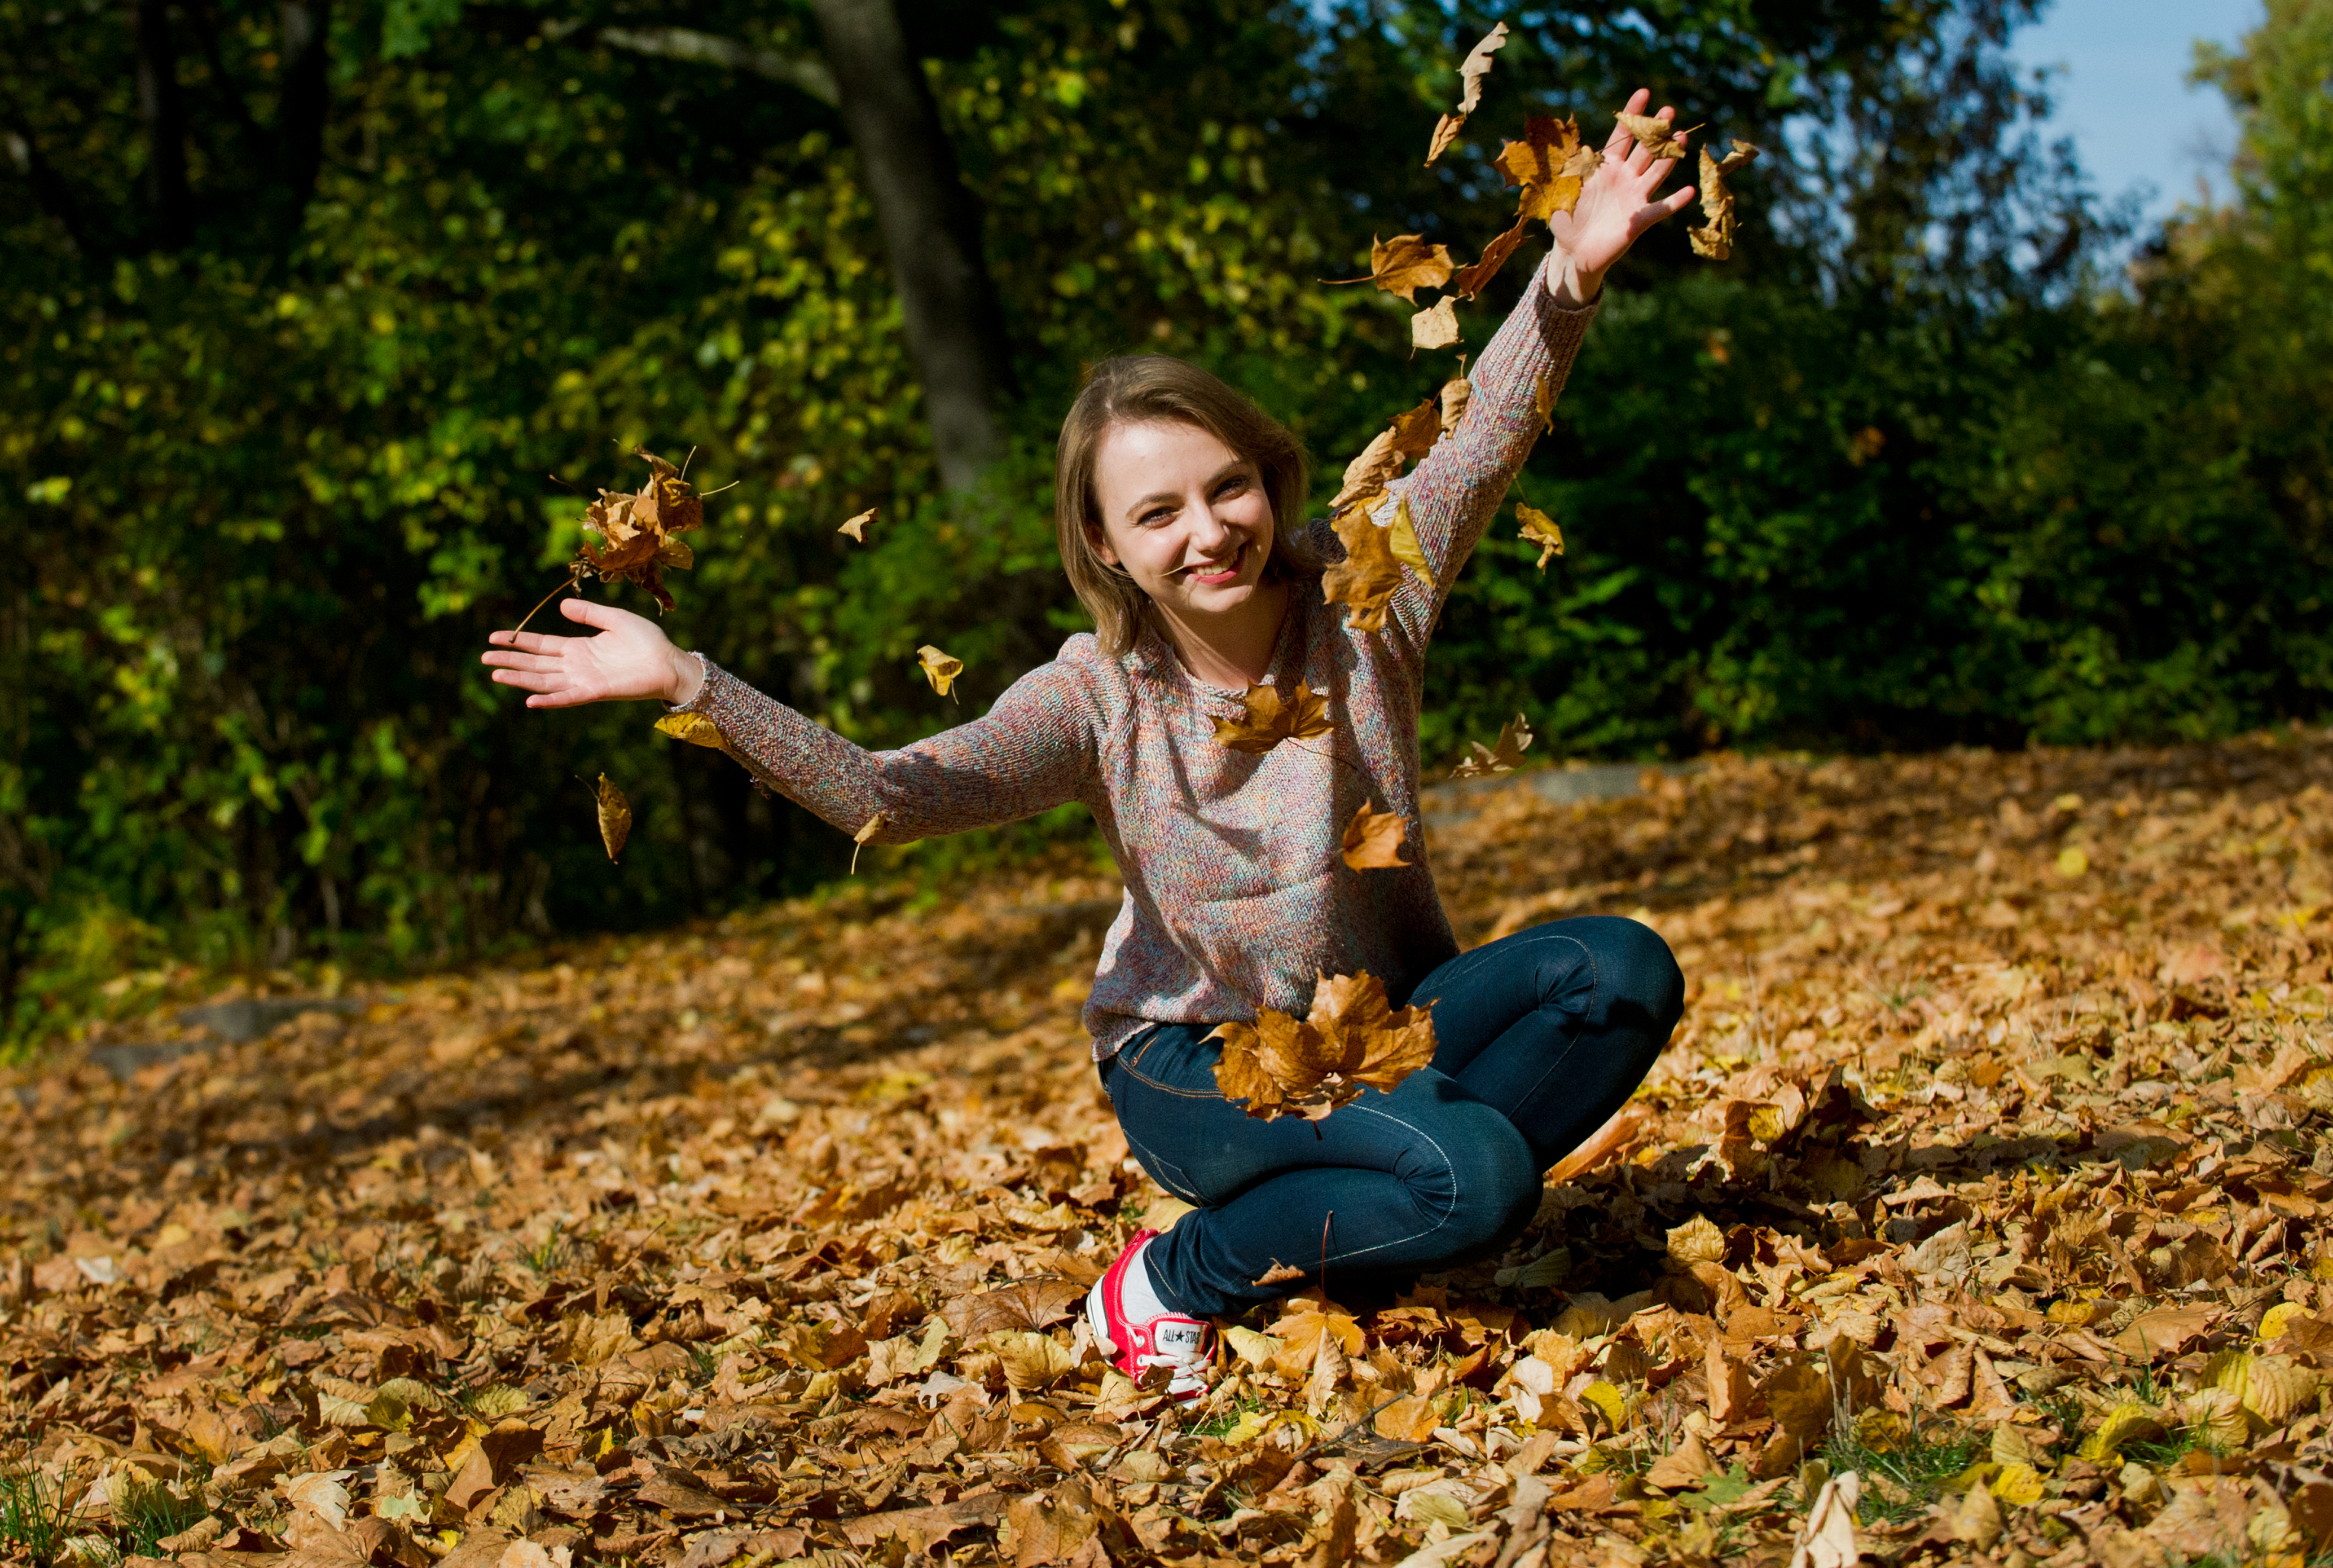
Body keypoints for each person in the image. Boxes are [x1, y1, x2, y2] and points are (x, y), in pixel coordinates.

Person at [482, 89, 1693, 1403]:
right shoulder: (1094, 697)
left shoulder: (1363, 586)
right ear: (1110, 548)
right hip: (1199, 1067)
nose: (1209, 530)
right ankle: (1181, 1276)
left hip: (1381, 1029)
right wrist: (695, 683)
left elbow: (1478, 443)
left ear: (1266, 479)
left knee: (1620, 972)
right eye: (1157, 513)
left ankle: (1394, 1215)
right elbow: (891, 794)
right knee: (1478, 1175)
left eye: (1225, 488)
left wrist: (1567, 277)